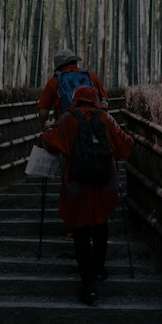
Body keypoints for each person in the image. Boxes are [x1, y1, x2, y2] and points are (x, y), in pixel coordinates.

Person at [40, 85, 134, 306]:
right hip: (104, 185)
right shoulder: (106, 118)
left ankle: (89, 286)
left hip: (77, 185)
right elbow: (127, 144)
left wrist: (46, 132)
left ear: (76, 99)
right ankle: (99, 269)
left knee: (81, 232)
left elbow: (50, 141)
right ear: (95, 98)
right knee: (101, 225)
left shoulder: (67, 118)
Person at [37, 48, 108, 127]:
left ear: (58, 66)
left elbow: (43, 113)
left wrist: (45, 125)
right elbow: (104, 100)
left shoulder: (53, 82)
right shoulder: (91, 76)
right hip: (94, 125)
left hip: (66, 128)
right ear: (75, 62)